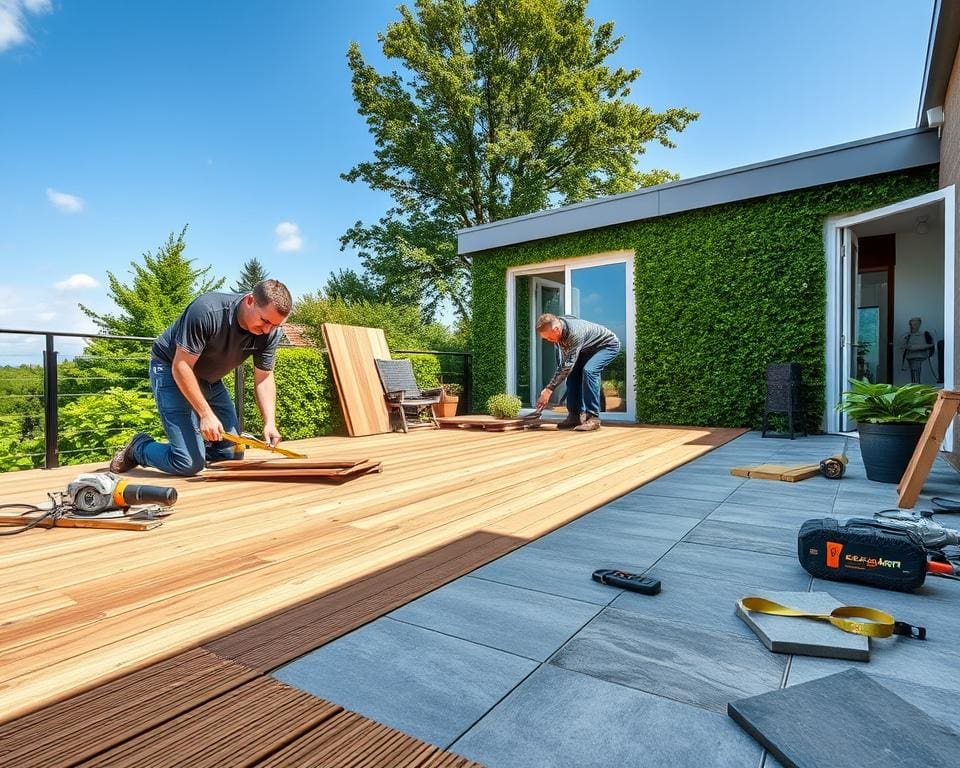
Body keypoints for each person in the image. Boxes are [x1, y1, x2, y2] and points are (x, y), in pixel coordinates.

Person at [109, 279, 292, 476]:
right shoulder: (207, 310)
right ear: (250, 301)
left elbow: (264, 378)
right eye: (265, 321)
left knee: (230, 453)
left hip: (208, 378)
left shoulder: (271, 333)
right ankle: (139, 448)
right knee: (188, 463)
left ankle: (197, 449)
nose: (267, 330)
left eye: (275, 325)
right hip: (171, 368)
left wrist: (270, 422)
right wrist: (205, 414)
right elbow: (182, 366)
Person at [535, 313, 621, 431]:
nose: (549, 341)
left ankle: (593, 418)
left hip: (606, 346)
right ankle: (574, 416)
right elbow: (565, 366)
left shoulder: (574, 334)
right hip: (586, 349)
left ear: (556, 329)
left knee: (589, 371)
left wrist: (549, 389)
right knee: (572, 373)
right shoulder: (559, 327)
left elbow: (566, 365)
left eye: (549, 337)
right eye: (546, 339)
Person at [901, 316, 935, 384]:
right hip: (912, 358)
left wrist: (928, 346)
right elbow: (907, 346)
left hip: (923, 358)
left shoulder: (925, 334)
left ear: (919, 324)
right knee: (914, 374)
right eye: (912, 324)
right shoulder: (907, 335)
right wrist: (927, 346)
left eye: (915, 324)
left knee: (919, 374)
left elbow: (932, 345)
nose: (913, 326)